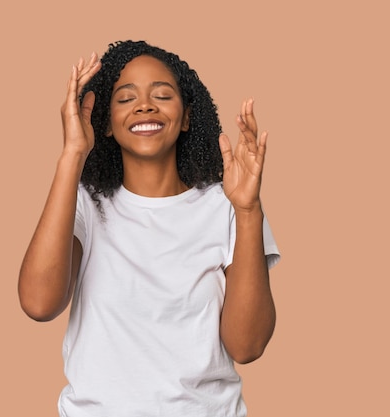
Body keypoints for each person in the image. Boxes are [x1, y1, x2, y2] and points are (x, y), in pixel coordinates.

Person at [18, 40, 280, 417]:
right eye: (125, 99)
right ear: (104, 124)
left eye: (162, 94)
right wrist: (72, 154)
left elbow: (248, 345)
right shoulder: (84, 205)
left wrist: (249, 210)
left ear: (187, 117)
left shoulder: (227, 206)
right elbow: (38, 304)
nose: (145, 105)